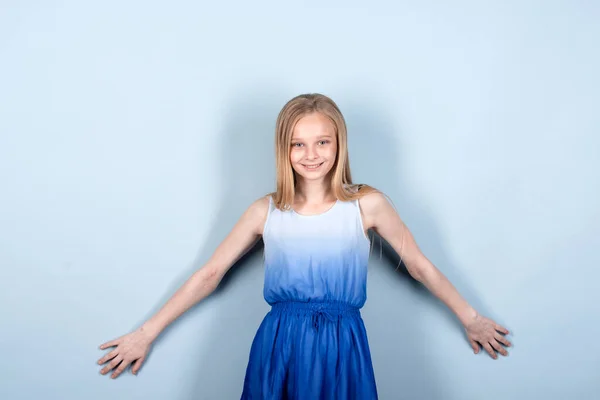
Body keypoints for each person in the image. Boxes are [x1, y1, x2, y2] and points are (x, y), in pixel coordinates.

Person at [97, 93, 511, 398]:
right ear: (285, 148)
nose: (310, 154)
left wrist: (470, 317)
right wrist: (145, 334)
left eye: (322, 142)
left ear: (338, 144)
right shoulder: (266, 211)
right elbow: (209, 275)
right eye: (298, 143)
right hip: (281, 342)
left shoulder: (367, 204)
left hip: (342, 342)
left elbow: (420, 266)